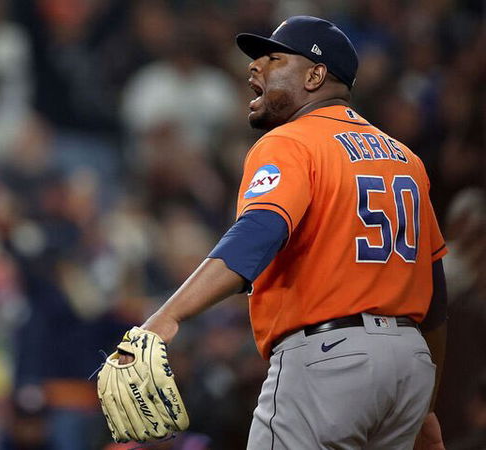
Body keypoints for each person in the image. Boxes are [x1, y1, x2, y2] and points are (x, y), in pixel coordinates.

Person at [118, 16, 448, 449]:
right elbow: (436, 298)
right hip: (410, 365)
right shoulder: (406, 158)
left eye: (274, 58)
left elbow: (257, 233)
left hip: (331, 358)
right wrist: (426, 406)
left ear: (315, 76)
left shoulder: (292, 140)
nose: (255, 67)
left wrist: (167, 316)